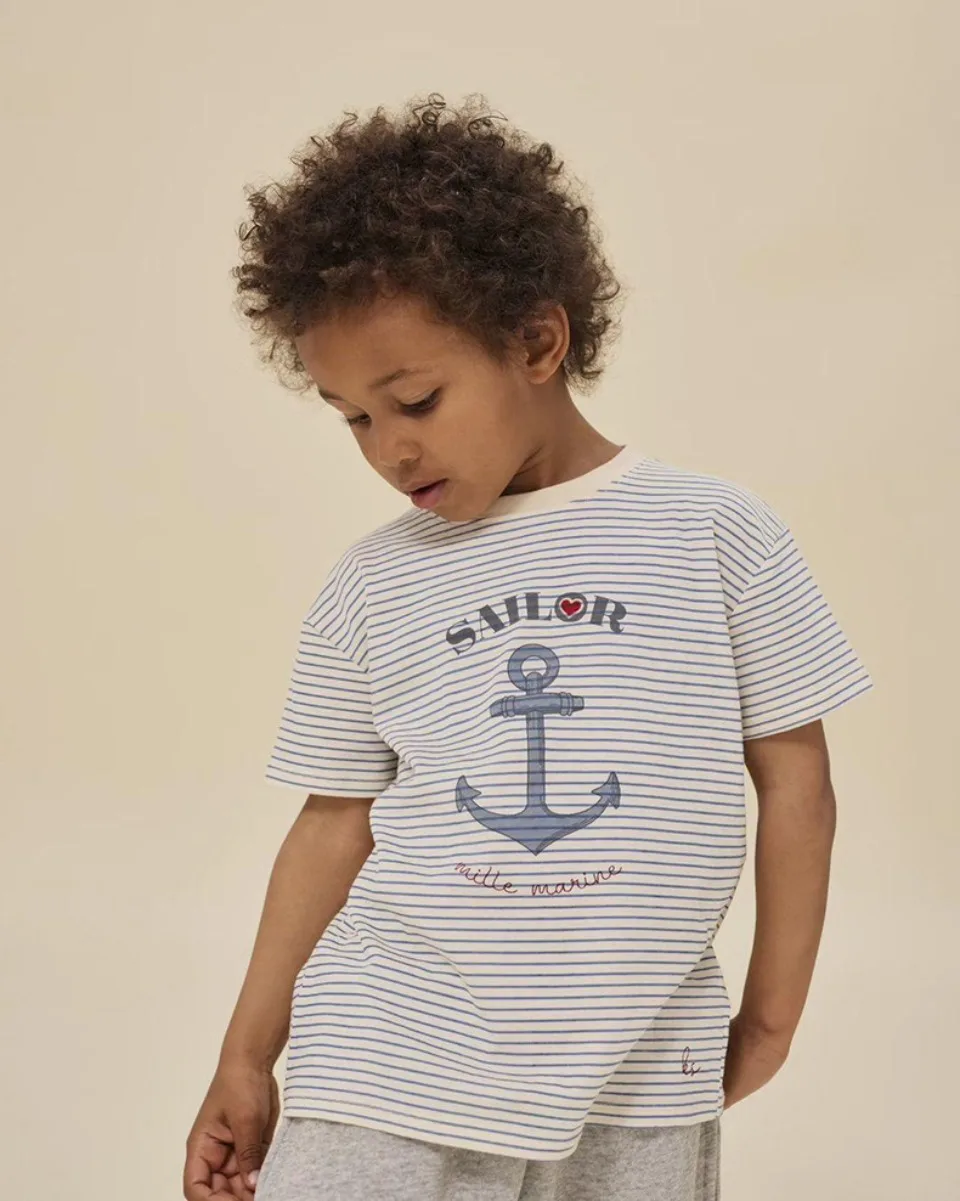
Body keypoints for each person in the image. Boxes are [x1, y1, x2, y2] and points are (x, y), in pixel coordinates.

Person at [183, 92, 874, 1201]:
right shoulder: (373, 580)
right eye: (353, 416)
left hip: (636, 1071)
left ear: (538, 342)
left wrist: (771, 1013)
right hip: (387, 1053)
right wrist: (246, 1053)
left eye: (415, 400)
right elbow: (331, 823)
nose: (388, 449)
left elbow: (799, 783)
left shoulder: (713, 534)